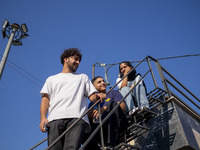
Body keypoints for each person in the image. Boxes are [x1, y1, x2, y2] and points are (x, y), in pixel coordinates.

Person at [39, 48, 106, 150]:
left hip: (77, 118)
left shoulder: (83, 77)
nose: (78, 62)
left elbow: (91, 96)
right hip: (55, 119)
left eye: (79, 60)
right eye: (75, 59)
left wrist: (98, 96)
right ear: (66, 59)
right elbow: (45, 99)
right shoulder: (51, 79)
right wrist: (43, 118)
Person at [83, 76, 128, 149]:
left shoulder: (113, 92)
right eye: (99, 82)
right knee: (83, 123)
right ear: (93, 87)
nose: (103, 83)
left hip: (117, 123)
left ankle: (110, 143)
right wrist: (89, 117)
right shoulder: (92, 103)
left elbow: (123, 107)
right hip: (102, 127)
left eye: (103, 81)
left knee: (112, 104)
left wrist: (104, 108)